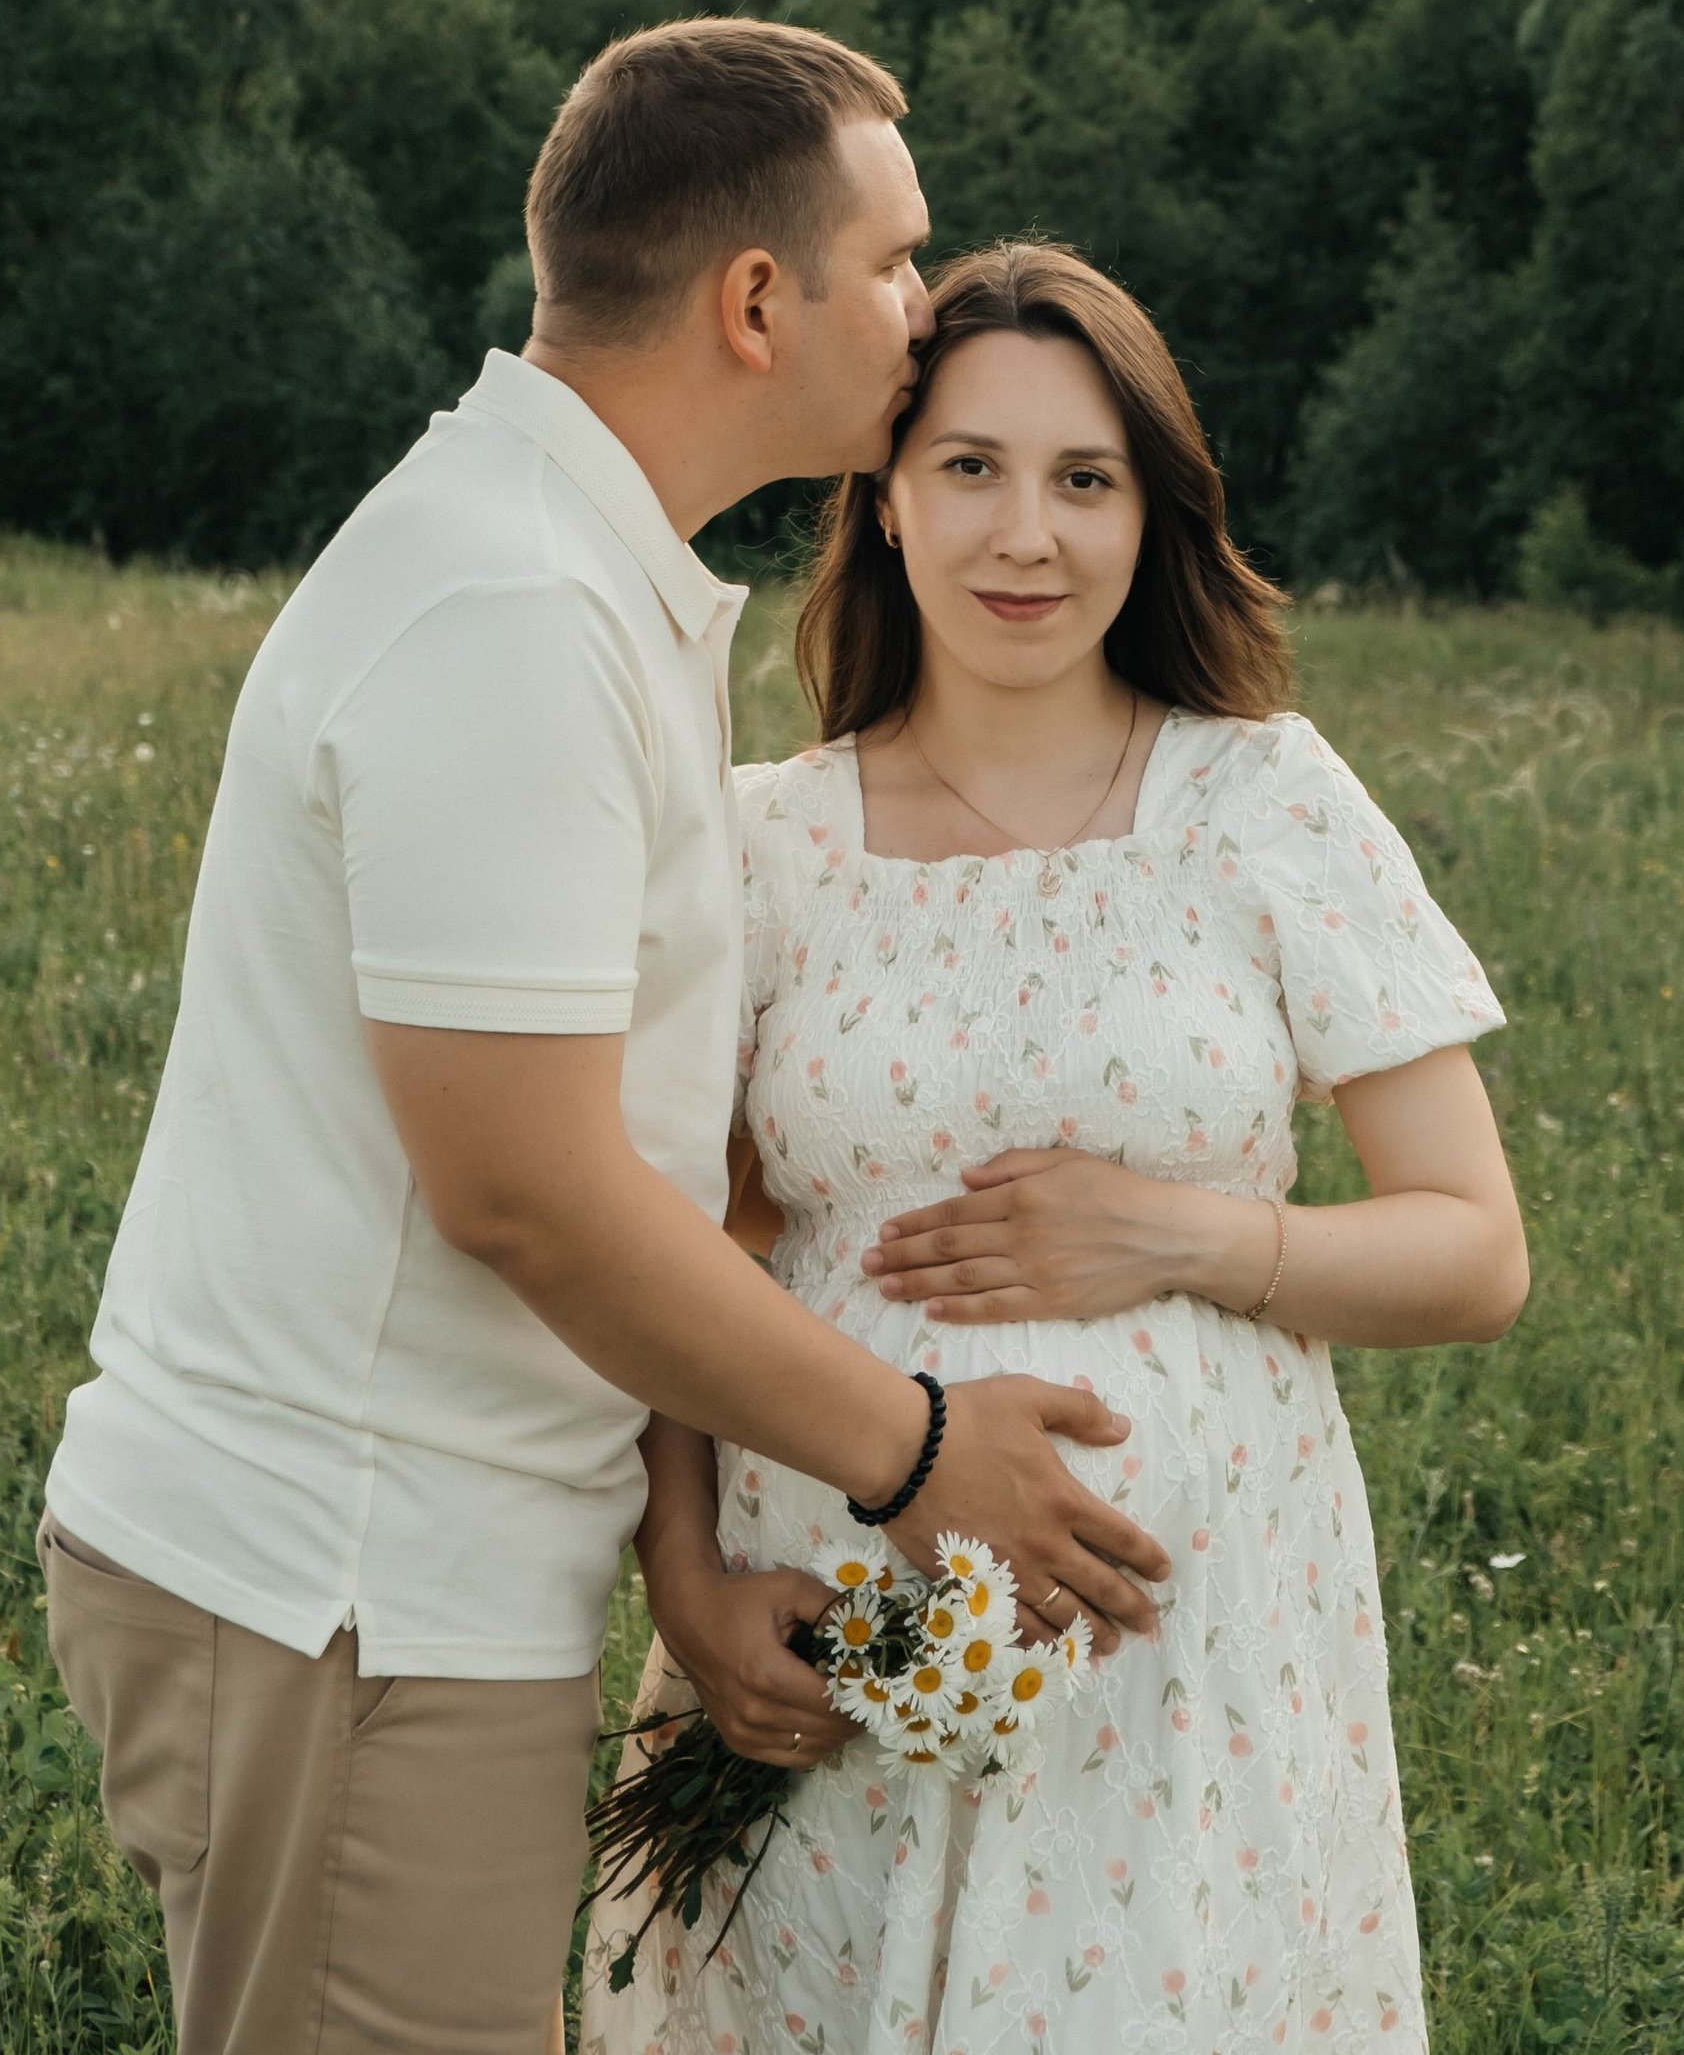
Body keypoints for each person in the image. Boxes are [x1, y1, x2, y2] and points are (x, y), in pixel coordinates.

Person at [39, 26, 1171, 2055]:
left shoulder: (567, 571)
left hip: (403, 1581)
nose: (924, 314)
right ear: (757, 303)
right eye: (895, 264)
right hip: (342, 1589)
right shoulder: (511, 611)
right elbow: (532, 1196)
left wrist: (675, 1550)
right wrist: (907, 1449)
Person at [590, 238, 1529, 2055]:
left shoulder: (1265, 802)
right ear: (884, 493)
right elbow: (676, 1247)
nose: (1028, 535)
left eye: (1085, 480)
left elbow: (1474, 1250)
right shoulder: (765, 842)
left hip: (1191, 1670)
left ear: (1152, 512)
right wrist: (688, 1582)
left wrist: (1177, 1238)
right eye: (973, 469)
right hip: (837, 1622)